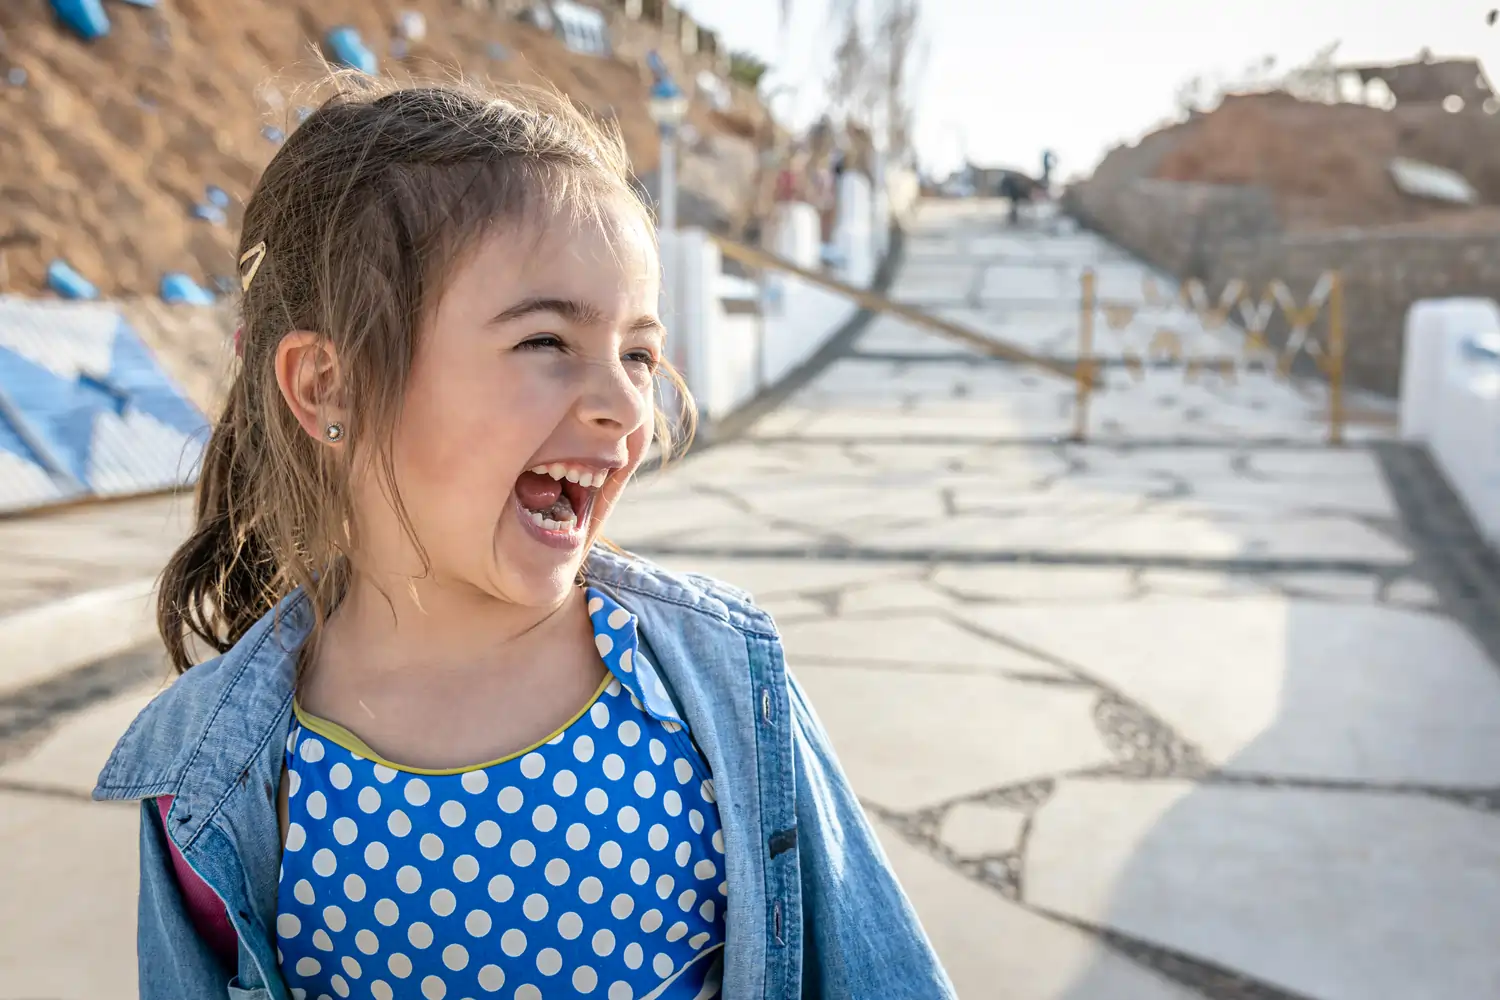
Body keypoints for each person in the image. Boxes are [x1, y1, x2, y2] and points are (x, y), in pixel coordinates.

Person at [93, 79, 955, 1000]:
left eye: (638, 352)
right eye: (547, 340)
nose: (628, 404)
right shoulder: (213, 780)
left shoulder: (719, 686)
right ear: (327, 386)